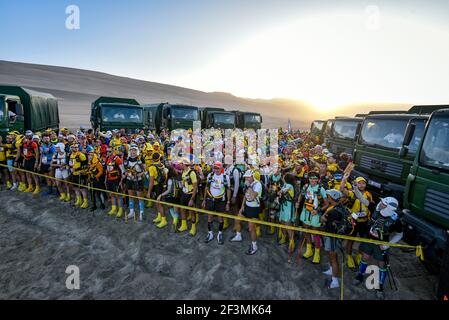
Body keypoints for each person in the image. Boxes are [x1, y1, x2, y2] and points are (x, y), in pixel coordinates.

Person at [354, 197, 403, 299]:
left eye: (383, 204)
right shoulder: (376, 208)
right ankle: (360, 275)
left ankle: (380, 287)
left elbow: (400, 234)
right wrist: (354, 188)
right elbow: (362, 199)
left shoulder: (396, 220)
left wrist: (388, 245)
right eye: (381, 202)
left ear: (389, 207)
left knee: (382, 264)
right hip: (369, 240)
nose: (380, 204)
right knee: (365, 258)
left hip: (382, 245)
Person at [340, 172, 374, 269]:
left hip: (365, 222)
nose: (362, 185)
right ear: (356, 184)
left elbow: (372, 207)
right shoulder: (352, 193)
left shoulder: (368, 194)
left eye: (363, 183)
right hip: (353, 222)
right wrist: (344, 179)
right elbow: (342, 189)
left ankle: (359, 256)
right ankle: (349, 257)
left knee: (363, 241)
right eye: (359, 183)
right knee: (350, 241)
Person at [320, 189, 351, 289]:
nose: (327, 196)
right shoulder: (339, 206)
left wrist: (324, 214)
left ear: (331, 198)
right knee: (330, 254)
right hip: (333, 235)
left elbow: (323, 219)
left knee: (333, 258)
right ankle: (331, 269)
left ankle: (334, 281)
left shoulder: (333, 211)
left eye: (328, 195)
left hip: (332, 236)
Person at [230, 169, 263, 255]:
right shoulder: (249, 183)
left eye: (247, 177)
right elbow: (245, 196)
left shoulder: (258, 184)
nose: (246, 179)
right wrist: (242, 207)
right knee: (237, 219)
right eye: (245, 177)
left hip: (254, 208)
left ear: (252, 176)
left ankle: (254, 246)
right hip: (247, 206)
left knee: (251, 228)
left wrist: (249, 187)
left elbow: (252, 196)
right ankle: (238, 235)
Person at [298, 171, 329, 264]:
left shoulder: (321, 189)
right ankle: (309, 250)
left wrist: (318, 211)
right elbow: (301, 194)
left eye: (315, 178)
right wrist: (298, 202)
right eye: (311, 178)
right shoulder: (306, 186)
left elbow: (327, 204)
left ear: (318, 180)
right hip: (305, 212)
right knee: (306, 230)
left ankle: (317, 253)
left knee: (316, 235)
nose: (312, 180)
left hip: (315, 214)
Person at [202, 161, 231, 245]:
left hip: (221, 200)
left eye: (218, 168)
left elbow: (228, 190)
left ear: (221, 168)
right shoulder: (210, 175)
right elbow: (206, 188)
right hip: (210, 199)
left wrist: (228, 202)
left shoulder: (225, 177)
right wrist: (204, 200)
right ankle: (210, 233)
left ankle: (220, 233)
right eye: (215, 168)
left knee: (220, 218)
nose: (216, 169)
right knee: (209, 217)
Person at [124, 145, 146, 222]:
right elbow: (125, 170)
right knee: (130, 196)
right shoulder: (127, 159)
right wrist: (127, 174)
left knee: (140, 197)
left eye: (135, 150)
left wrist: (138, 175)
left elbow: (144, 171)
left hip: (138, 180)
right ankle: (131, 211)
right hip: (129, 180)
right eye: (132, 150)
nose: (133, 152)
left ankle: (141, 212)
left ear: (137, 151)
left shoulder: (141, 159)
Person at [177, 158, 199, 235]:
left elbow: (195, 187)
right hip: (184, 193)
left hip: (191, 194)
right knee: (182, 209)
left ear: (184, 164)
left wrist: (192, 199)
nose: (179, 165)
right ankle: (184, 225)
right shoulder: (183, 171)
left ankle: (193, 228)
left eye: (181, 164)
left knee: (192, 212)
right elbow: (184, 182)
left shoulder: (192, 173)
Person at [157, 165, 181, 231]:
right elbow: (181, 186)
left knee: (170, 208)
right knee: (176, 210)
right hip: (177, 196)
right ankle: (176, 221)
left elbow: (168, 190)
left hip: (170, 197)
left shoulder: (170, 180)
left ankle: (175, 221)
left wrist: (161, 195)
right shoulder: (179, 178)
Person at [147, 152, 168, 227]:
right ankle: (159, 216)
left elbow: (151, 181)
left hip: (156, 186)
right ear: (159, 158)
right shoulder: (162, 165)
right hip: (161, 185)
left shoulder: (151, 167)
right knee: (157, 202)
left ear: (152, 158)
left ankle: (163, 219)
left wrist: (149, 192)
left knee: (159, 203)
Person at [278, 173, 296, 254]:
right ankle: (283, 238)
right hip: (283, 206)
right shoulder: (285, 184)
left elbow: (282, 191)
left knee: (288, 225)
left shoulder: (289, 185)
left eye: (284, 176)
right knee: (282, 223)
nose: (283, 177)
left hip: (288, 207)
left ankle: (292, 244)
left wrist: (281, 191)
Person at [105, 146, 125, 218]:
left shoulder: (118, 159)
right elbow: (106, 169)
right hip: (109, 179)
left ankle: (120, 210)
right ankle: (113, 208)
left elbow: (123, 171)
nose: (108, 153)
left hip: (116, 180)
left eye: (109, 151)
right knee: (111, 194)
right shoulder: (107, 158)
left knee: (119, 196)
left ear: (113, 151)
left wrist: (121, 181)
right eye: (107, 151)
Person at [68, 143, 89, 209]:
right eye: (73, 147)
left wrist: (80, 170)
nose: (75, 148)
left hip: (80, 174)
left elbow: (85, 165)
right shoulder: (70, 154)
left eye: (76, 147)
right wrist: (70, 167)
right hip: (73, 174)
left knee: (82, 188)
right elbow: (70, 163)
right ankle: (79, 200)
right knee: (75, 187)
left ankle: (85, 202)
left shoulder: (81, 155)